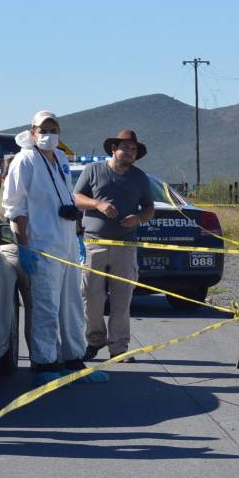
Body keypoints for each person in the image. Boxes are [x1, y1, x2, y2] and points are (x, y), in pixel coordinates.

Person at [1, 110, 105, 385]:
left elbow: (66, 197)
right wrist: (23, 245)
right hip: (41, 244)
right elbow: (15, 206)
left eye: (53, 130)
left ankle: (73, 359)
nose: (49, 135)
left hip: (67, 242)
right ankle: (44, 363)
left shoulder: (59, 158)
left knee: (72, 304)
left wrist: (78, 234)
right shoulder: (24, 161)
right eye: (43, 130)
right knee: (46, 306)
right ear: (32, 131)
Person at [73, 130, 155, 361]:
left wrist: (138, 218)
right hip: (94, 244)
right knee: (91, 297)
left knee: (122, 300)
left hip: (126, 246)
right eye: (125, 147)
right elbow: (76, 198)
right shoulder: (93, 170)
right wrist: (97, 204)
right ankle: (94, 341)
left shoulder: (140, 177)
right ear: (113, 149)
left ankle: (119, 348)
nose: (129, 152)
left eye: (133, 149)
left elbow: (149, 208)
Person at [0, 154, 33, 355]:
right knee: (36, 309)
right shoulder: (15, 195)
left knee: (8, 310)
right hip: (21, 251)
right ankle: (39, 358)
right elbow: (19, 220)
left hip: (3, 253)